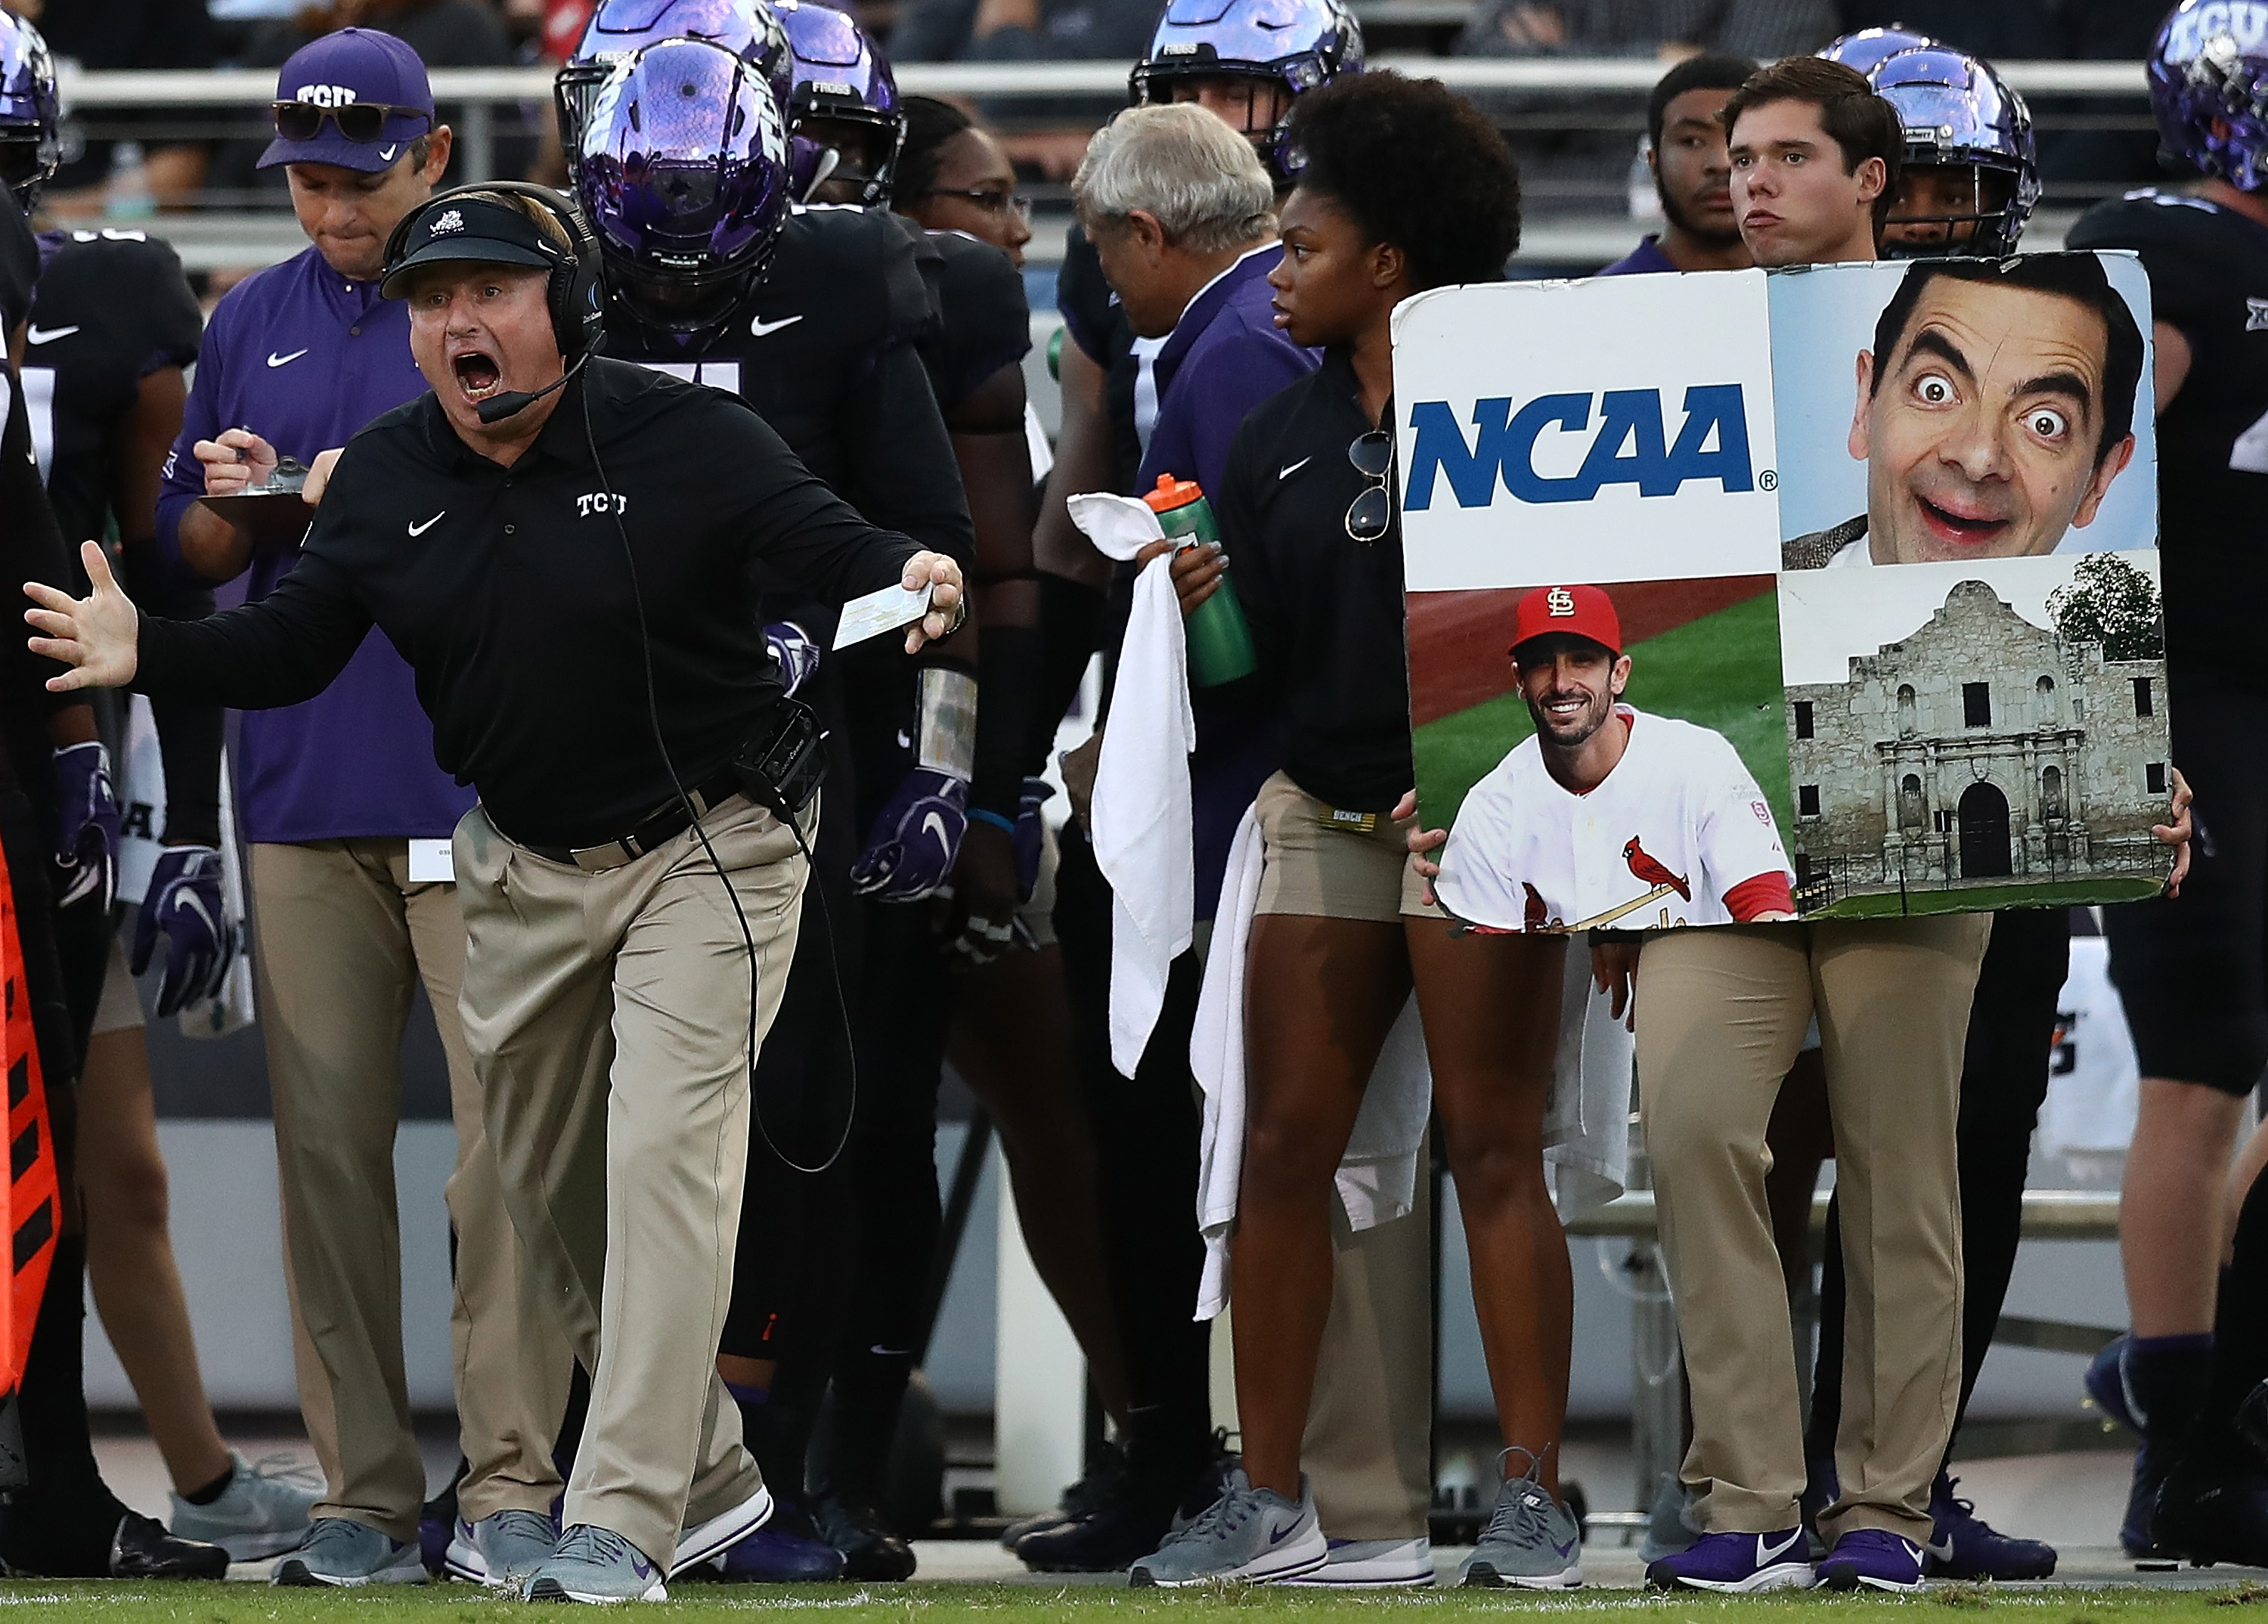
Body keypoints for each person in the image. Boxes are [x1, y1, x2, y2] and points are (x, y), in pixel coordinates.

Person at [25, 181, 970, 1605]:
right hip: (522, 861)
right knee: (535, 1194)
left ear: (566, 312)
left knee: (666, 1157)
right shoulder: (393, 474)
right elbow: (288, 647)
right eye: (429, 301)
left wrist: (915, 569)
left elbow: (830, 543)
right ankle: (712, 1476)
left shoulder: (690, 436)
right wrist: (144, 646)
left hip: (714, 840)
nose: (457, 322)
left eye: (488, 292)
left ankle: (626, 1519)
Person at [1127, 72, 1576, 1593]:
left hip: (1479, 829)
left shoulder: (1530, 408)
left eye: (1305, 248)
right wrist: (1203, 615)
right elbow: (1256, 674)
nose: (1284, 274)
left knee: (1495, 1146)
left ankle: (1532, 1492)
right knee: (1278, 1150)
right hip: (1323, 814)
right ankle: (1270, 1498)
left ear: (1387, 261)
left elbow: (1588, 629)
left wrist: (1486, 781)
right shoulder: (1277, 435)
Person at [150, 30, 573, 1591]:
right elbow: (190, 551)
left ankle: (516, 1475)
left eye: (360, 175)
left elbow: (549, 505)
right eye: (310, 179)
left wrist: (373, 484)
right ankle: (361, 1494)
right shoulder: (246, 316)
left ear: (434, 155)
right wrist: (236, 495)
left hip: (478, 784)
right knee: (325, 1161)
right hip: (303, 780)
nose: (332, 208)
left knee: (505, 1160)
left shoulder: (503, 308)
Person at [572, 23, 984, 1582]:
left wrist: (937, 754)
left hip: (800, 764)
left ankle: (768, 1462)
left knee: (803, 1119)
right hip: (589, 764)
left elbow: (939, 554)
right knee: (569, 1129)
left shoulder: (853, 285)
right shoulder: (548, 284)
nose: (672, 268)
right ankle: (567, 1456)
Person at [1630, 56, 1991, 1597]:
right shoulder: (1641, 341)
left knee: (1901, 1167)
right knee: (1698, 1125)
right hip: (1717, 817)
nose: (1745, 176)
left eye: (1785, 157)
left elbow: (2054, 557)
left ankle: (1888, 1510)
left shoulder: (1971, 338)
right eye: (1730, 152)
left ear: (1872, 181)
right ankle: (1754, 1491)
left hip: (1911, 804)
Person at [0, 9, 318, 1560]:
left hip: (59, 766)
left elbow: (173, 589)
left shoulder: (108, 286)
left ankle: (174, 1471)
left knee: (89, 1146)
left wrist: (181, 827)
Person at [1013, 101, 1312, 1579]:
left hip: (1225, 809)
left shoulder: (1229, 345)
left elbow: (1245, 609)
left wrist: (1139, 698)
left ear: (1142, 231)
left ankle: (1190, 1466)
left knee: (1161, 1136)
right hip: (1229, 796)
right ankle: (1187, 1460)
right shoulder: (1243, 333)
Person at [1799, 31, 2068, 1582]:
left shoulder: (2049, 341)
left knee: (1971, 1143)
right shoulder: (1701, 312)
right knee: (1772, 1149)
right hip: (1779, 794)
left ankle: (1912, 1473)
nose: (1937, 223)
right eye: (1914, 188)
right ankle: (1761, 1477)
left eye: (1970, 192)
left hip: (1988, 789)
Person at [0, 168, 229, 1584]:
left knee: (52, 1132)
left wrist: (91, 760)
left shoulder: (77, 306)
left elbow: (68, 572)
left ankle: (55, 1478)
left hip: (22, 789)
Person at [2068, 0, 2268, 1564]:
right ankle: (2186, 1432)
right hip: (2195, 695)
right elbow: (2075, 474)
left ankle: (2214, 1393)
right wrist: (2103, 718)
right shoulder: (2173, 253)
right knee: (2201, 1063)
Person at [1433, 586, 1796, 933]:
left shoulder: (1700, 760)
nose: (1562, 683)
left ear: (1618, 674)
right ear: (1520, 680)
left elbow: (1765, 902)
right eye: (1543, 663)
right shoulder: (1490, 808)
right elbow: (1496, 960)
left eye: (1583, 661)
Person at [1781, 253, 2143, 569]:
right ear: (1865, 407)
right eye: (1935, 390)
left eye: (2045, 423)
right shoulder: (1739, 606)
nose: (1978, 460)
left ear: (2099, 480)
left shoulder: (2125, 642)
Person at [1603, 54, 1756, 275]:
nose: (1722, 163)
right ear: (1654, 165)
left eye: (1739, 138)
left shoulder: (1817, 292)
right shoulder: (1602, 302)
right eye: (1692, 141)